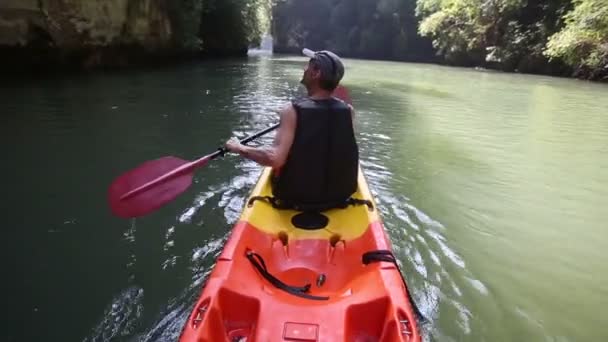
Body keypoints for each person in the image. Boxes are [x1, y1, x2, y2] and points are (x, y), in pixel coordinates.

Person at [225, 48, 359, 210]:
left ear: (315, 73)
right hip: (340, 197)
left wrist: (239, 147)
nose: (304, 69)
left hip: (297, 199)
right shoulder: (348, 111)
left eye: (308, 66)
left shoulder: (291, 110)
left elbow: (275, 159)